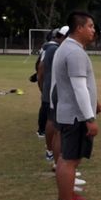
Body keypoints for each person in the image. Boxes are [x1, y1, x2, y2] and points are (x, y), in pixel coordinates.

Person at [53, 11, 101, 200]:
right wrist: (89, 118)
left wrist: (94, 102)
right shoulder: (74, 53)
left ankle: (69, 199)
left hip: (70, 113)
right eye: (90, 26)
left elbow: (80, 87)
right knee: (69, 161)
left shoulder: (68, 48)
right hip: (75, 117)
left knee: (70, 160)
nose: (93, 30)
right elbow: (79, 88)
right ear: (79, 28)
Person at [38, 26, 68, 165]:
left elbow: (39, 67)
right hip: (53, 87)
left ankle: (51, 151)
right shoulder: (54, 49)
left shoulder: (48, 47)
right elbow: (41, 69)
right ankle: (52, 153)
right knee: (55, 124)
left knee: (52, 120)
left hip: (49, 87)